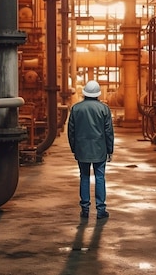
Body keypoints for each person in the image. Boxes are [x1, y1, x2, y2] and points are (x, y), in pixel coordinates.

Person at [68, 80, 115, 219]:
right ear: (97, 94)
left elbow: (71, 131)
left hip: (82, 149)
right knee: (100, 178)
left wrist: (74, 148)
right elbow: (109, 131)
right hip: (99, 149)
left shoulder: (76, 109)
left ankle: (85, 209)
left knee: (84, 177)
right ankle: (101, 210)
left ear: (84, 93)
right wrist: (110, 149)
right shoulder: (104, 109)